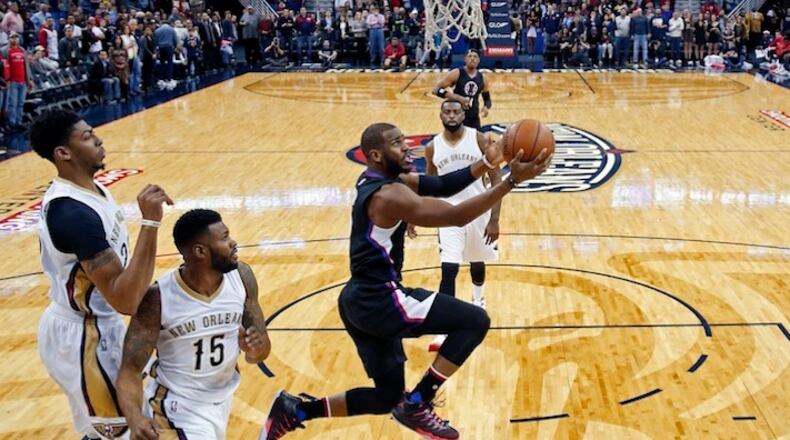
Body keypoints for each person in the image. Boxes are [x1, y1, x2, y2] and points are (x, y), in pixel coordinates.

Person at [261, 116, 552, 440]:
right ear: (375, 154)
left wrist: (488, 161)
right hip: (380, 299)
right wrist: (511, 181)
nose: (408, 146)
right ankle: (418, 402)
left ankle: (296, 410)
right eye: (397, 143)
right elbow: (455, 216)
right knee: (475, 321)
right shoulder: (388, 196)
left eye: (405, 140)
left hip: (358, 300)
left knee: (386, 397)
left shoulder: (379, 178)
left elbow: (443, 186)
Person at [30, 109, 172, 439]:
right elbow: (126, 299)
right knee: (121, 432)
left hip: (97, 324)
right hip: (83, 336)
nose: (99, 139)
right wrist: (150, 224)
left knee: (115, 429)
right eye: (87, 137)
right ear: (63, 153)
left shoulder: (92, 191)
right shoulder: (72, 214)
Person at [117, 209, 271, 440]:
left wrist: (255, 349)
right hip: (176, 408)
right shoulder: (158, 298)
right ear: (200, 251)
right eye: (224, 238)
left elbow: (261, 352)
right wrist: (134, 417)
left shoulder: (242, 277)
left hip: (221, 402)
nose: (233, 242)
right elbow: (130, 369)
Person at [418, 99, 502, 352]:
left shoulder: (480, 140)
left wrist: (495, 219)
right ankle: (445, 328)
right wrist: (418, 214)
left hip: (478, 211)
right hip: (448, 215)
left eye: (456, 111)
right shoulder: (432, 148)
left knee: (477, 263)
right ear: (440, 115)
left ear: (464, 113)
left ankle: (479, 301)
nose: (452, 116)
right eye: (447, 112)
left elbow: (496, 180)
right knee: (449, 269)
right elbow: (430, 185)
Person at [432, 49, 490, 129]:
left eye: (475, 57)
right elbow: (436, 90)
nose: (472, 58)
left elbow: (487, 99)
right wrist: (458, 98)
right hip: (456, 117)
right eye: (470, 56)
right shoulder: (457, 73)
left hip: (473, 118)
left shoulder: (483, 78)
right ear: (465, 59)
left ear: (479, 60)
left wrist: (486, 107)